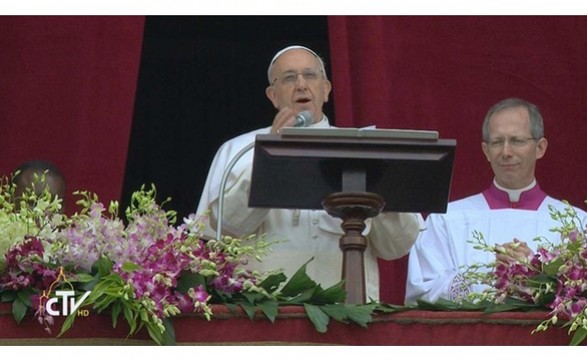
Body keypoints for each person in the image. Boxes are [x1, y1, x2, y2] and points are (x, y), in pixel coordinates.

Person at [197, 45, 423, 301]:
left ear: (326, 90)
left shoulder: (363, 149)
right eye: (289, 78)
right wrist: (271, 157)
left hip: (347, 316)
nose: (301, 85)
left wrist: (377, 179)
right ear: (273, 95)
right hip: (264, 316)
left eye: (310, 76)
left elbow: (398, 245)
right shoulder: (238, 150)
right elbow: (220, 232)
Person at [404, 97, 587, 305]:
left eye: (517, 141)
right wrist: (489, 276)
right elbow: (420, 295)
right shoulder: (446, 220)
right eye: (497, 142)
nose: (506, 152)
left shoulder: (577, 224)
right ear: (486, 151)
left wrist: (539, 274)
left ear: (540, 148)